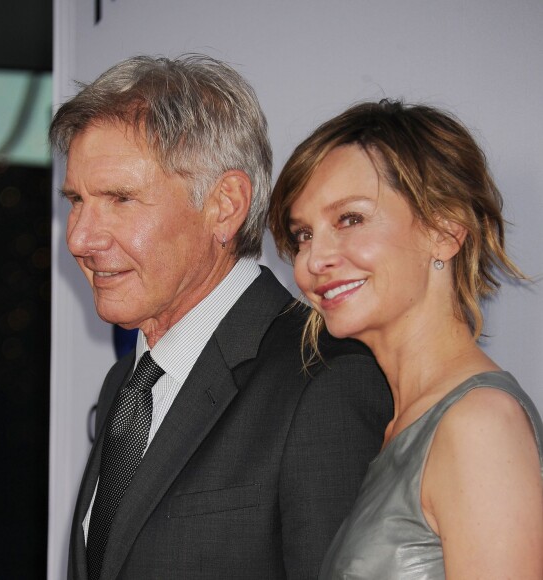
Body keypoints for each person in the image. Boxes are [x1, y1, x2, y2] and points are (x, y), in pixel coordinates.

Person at [49, 56, 392, 580]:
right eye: (76, 200)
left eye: (119, 199)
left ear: (225, 205)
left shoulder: (324, 379)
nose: (79, 239)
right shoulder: (129, 381)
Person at [269, 99, 543, 579]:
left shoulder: (478, 425)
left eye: (349, 219)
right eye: (303, 235)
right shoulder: (399, 423)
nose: (313, 260)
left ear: (443, 230)